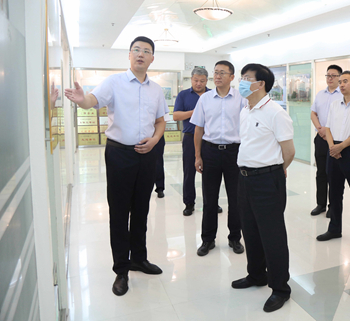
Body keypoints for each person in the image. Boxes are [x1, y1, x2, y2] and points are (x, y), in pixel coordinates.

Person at [64, 36, 167, 296]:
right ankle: (121, 269)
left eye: (146, 51)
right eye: (136, 50)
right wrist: (81, 100)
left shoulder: (156, 90)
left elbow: (160, 121)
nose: (141, 54)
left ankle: (139, 259)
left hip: (147, 154)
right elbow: (91, 101)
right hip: (120, 154)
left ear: (152, 58)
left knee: (142, 209)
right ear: (129, 55)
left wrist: (155, 140)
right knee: (120, 212)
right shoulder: (114, 82)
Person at [232, 63, 295, 313]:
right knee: (250, 230)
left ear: (261, 84)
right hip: (244, 178)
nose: (242, 82)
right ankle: (256, 274)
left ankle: (280, 288)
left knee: (272, 235)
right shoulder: (245, 110)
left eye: (246, 78)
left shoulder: (276, 113)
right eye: (242, 78)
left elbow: (289, 151)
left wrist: (275, 171)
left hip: (267, 180)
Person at [190, 60, 245, 256]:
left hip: (234, 152)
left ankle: (235, 238)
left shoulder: (241, 99)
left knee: (236, 199)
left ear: (232, 77)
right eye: (216, 72)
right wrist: (198, 155)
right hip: (210, 152)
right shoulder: (205, 99)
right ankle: (208, 239)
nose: (218, 76)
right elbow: (199, 128)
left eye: (222, 73)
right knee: (209, 199)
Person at [316, 71, 350, 253]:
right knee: (334, 192)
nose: (341, 84)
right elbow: (328, 127)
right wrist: (333, 147)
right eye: (340, 81)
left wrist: (341, 146)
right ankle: (334, 229)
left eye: (345, 81)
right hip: (334, 151)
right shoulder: (334, 105)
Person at [172, 67, 216, 215]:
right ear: (191, 79)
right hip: (190, 138)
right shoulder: (183, 95)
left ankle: (212, 203)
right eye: (196, 80)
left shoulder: (213, 94)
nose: (198, 83)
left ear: (207, 81)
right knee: (189, 172)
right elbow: (176, 116)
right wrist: (196, 112)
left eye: (202, 81)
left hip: (209, 139)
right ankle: (189, 203)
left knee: (211, 173)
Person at [310, 64, 342, 217]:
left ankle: (333, 206)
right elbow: (313, 113)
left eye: (333, 75)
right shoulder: (320, 94)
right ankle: (320, 204)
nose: (330, 78)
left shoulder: (342, 95)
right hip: (320, 138)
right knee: (321, 173)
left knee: (333, 175)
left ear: (339, 78)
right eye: (328, 75)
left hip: (335, 140)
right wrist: (320, 129)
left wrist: (327, 131)